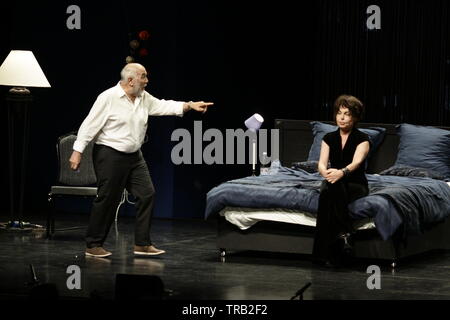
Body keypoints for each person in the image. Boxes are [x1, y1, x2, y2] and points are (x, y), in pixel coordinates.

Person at [69, 63, 213, 258]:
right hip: (110, 154)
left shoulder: (143, 97)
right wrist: (77, 151)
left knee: (147, 194)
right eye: (143, 77)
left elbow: (163, 105)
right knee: (108, 199)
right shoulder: (108, 97)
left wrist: (189, 105)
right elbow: (89, 125)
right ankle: (93, 244)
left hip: (134, 156)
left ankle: (142, 244)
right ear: (130, 80)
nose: (147, 81)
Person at [312, 94, 370, 267]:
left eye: (347, 114)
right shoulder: (328, 138)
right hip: (332, 179)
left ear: (355, 117)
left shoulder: (363, 139)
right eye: (339, 113)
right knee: (328, 192)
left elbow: (356, 163)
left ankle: (321, 254)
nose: (342, 117)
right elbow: (321, 164)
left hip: (355, 183)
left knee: (328, 193)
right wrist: (326, 173)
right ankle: (345, 234)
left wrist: (341, 173)